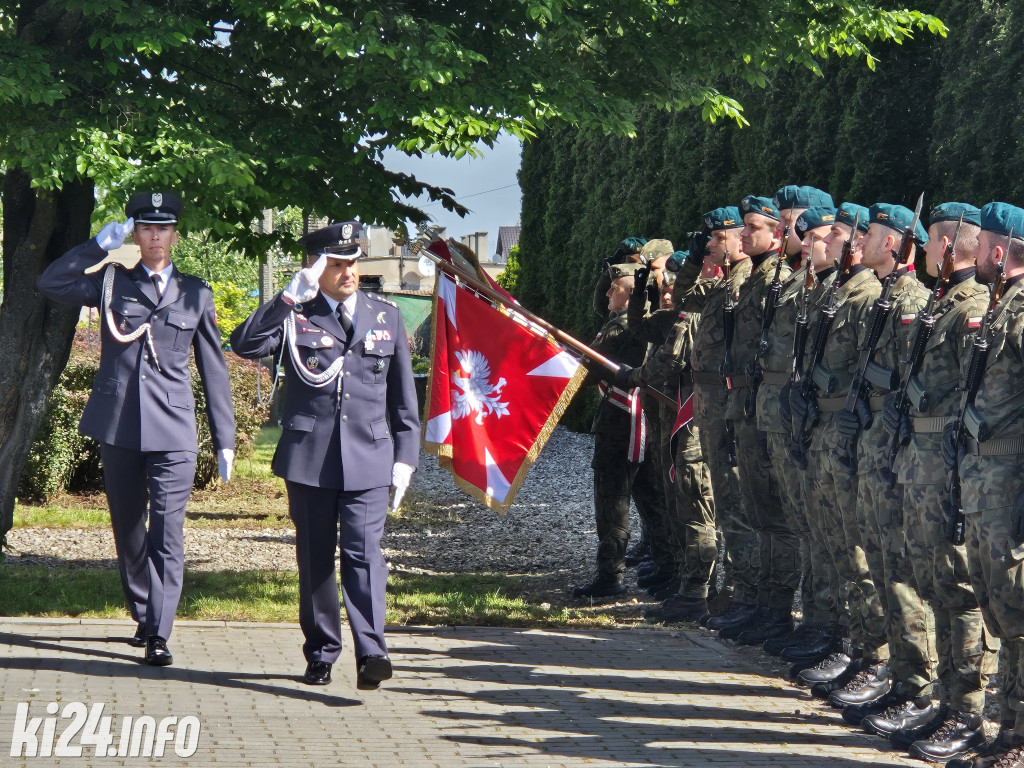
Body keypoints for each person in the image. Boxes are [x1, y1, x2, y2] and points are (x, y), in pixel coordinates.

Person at [37, 191, 236, 667]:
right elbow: (50, 283)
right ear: (136, 233)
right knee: (128, 531)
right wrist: (95, 247)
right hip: (121, 423)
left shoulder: (195, 292)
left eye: (163, 228)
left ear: (175, 234)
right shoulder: (110, 282)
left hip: (174, 429)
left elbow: (213, 369)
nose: (154, 236)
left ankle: (160, 634)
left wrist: (224, 438)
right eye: (145, 228)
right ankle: (146, 614)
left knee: (169, 531)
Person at [229, 221, 420, 690]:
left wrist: (406, 457)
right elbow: (244, 343)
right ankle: (321, 651)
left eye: (352, 262)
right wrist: (286, 299)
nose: (348, 272)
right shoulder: (297, 315)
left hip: (371, 457)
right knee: (316, 559)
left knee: (364, 553)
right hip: (310, 458)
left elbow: (402, 398)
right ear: (315, 268)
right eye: (336, 264)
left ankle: (372, 650)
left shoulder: (385, 316)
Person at [941, 202, 1024, 768]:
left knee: (1019, 607)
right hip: (985, 478)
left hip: (1011, 480)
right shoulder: (1003, 309)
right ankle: (1010, 729)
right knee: (1001, 608)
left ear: (998, 253)